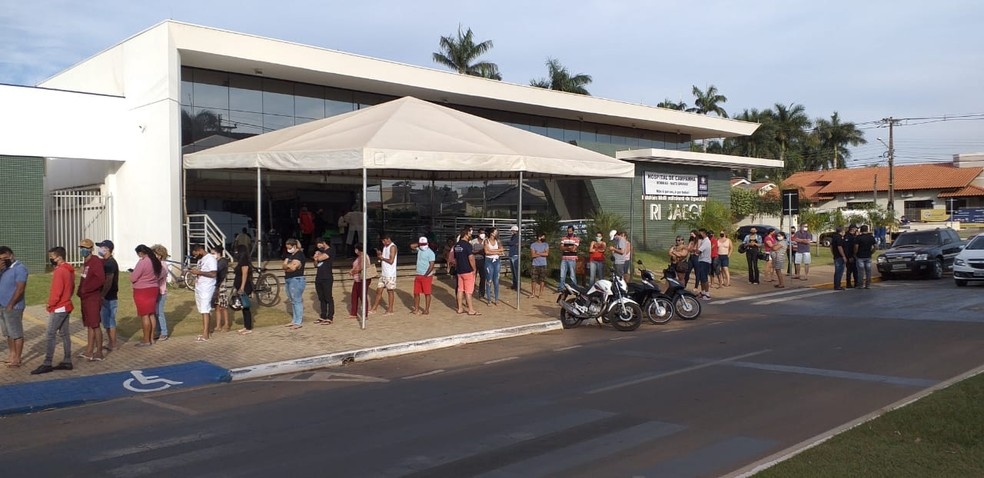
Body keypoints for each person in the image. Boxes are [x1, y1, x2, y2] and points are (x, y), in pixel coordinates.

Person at [31, 247, 76, 374]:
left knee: (50, 334)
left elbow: (56, 292)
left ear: (59, 257)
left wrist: (50, 305)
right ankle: (67, 360)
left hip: (59, 307)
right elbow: (71, 287)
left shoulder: (60, 271)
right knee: (65, 334)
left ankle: (47, 362)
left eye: (52, 257)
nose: (51, 259)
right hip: (66, 305)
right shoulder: (69, 269)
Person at [76, 239, 106, 360]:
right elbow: (84, 278)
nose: (83, 250)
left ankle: (99, 351)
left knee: (95, 324)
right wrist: (80, 291)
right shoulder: (86, 262)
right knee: (89, 325)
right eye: (81, 247)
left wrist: (86, 289)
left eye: (85, 248)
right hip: (85, 298)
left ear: (91, 249)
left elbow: (100, 279)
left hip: (92, 297)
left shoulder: (95, 262)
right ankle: (89, 350)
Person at [0, 246, 28, 368]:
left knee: (16, 333)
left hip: (13, 307)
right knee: (8, 333)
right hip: (2, 306)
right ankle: (12, 355)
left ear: (11, 255)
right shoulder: (4, 269)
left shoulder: (20, 268)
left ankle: (17, 358)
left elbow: (20, 288)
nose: (2, 261)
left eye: (4, 258)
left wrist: (11, 304)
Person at [131, 244, 162, 346]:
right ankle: (151, 337)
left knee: (144, 315)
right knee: (151, 314)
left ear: (141, 253)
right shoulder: (155, 261)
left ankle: (146, 339)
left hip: (142, 290)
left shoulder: (143, 262)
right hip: (153, 289)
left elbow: (133, 277)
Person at [95, 239, 119, 352]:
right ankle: (111, 342)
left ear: (107, 249)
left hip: (109, 296)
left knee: (110, 321)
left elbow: (109, 280)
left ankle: (113, 343)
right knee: (107, 321)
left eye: (101, 247)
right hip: (108, 296)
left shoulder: (110, 263)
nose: (99, 249)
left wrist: (102, 295)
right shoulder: (106, 262)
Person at [190, 243, 217, 342]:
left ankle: (206, 335)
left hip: (207, 287)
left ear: (200, 250)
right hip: (199, 287)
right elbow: (201, 271)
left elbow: (213, 274)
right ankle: (205, 331)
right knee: (202, 309)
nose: (195, 256)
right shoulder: (201, 260)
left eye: (196, 254)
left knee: (205, 310)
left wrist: (199, 273)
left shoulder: (210, 259)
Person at [454, 227, 479, 315]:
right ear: (465, 234)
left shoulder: (456, 245)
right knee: (468, 291)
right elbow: (471, 258)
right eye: (469, 233)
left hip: (460, 270)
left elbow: (455, 259)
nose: (470, 235)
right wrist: (474, 269)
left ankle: (460, 308)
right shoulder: (467, 245)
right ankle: (471, 310)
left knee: (460, 290)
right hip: (468, 270)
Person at [371, 235, 398, 315]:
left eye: (384, 241)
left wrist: (382, 258)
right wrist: (380, 256)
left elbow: (391, 261)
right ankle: (374, 308)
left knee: (390, 291)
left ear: (388, 239)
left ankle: (390, 309)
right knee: (379, 291)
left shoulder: (392, 247)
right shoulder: (385, 247)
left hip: (390, 273)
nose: (383, 242)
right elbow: (383, 258)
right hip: (384, 273)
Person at [283, 238, 306, 328]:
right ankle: (295, 320)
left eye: (289, 247)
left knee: (297, 300)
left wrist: (287, 265)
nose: (288, 249)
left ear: (294, 246)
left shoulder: (299, 255)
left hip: (296, 279)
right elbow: (284, 266)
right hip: (289, 279)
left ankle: (298, 321)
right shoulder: (291, 256)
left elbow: (293, 268)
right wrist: (287, 265)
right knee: (292, 300)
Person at [409, 237, 436, 315]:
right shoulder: (419, 249)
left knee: (427, 293)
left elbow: (432, 265)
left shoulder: (431, 253)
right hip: (418, 274)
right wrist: (419, 244)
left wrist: (426, 274)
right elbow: (411, 246)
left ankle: (426, 309)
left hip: (426, 276)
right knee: (416, 293)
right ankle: (416, 308)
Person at [232, 244, 255, 334]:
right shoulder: (240, 262)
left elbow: (244, 275)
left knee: (246, 307)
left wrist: (242, 287)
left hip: (244, 287)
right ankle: (246, 326)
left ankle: (248, 327)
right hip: (239, 285)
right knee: (243, 307)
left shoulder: (244, 262)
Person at [313, 238, 335, 325]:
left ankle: (330, 316)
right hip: (319, 277)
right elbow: (315, 264)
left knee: (328, 297)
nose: (318, 247)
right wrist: (315, 258)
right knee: (321, 297)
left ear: (323, 243)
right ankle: (323, 315)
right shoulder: (319, 252)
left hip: (327, 277)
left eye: (319, 244)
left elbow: (321, 258)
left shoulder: (330, 250)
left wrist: (317, 256)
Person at [151, 244, 171, 341]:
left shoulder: (163, 265)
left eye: (156, 254)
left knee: (159, 312)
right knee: (155, 312)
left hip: (161, 291)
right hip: (153, 291)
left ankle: (164, 332)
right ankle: (158, 331)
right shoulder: (154, 264)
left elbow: (158, 276)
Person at [348, 243, 373, 319]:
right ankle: (353, 313)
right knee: (354, 295)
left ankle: (365, 314)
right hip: (357, 279)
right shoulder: (359, 256)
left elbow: (362, 267)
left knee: (362, 296)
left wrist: (353, 272)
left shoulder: (364, 256)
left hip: (363, 278)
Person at [212, 245, 231, 332]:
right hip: (215, 286)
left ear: (218, 253)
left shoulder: (222, 261)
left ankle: (226, 324)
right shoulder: (214, 261)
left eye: (213, 253)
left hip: (221, 285)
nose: (212, 255)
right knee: (217, 306)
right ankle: (218, 325)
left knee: (223, 306)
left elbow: (218, 271)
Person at [483, 227, 503, 306]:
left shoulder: (497, 241)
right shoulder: (486, 241)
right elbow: (486, 252)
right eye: (495, 232)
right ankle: (489, 300)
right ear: (491, 233)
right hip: (489, 261)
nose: (496, 233)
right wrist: (497, 251)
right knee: (489, 280)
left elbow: (502, 249)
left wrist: (492, 251)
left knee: (496, 281)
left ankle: (496, 299)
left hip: (496, 261)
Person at [854, 225, 877, 289]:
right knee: (868, 271)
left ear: (861, 230)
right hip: (868, 256)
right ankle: (868, 285)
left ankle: (860, 285)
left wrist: (855, 253)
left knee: (861, 272)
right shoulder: (871, 237)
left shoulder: (858, 237)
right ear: (867, 230)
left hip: (860, 256)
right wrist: (871, 252)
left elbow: (856, 247)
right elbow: (875, 247)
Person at [558, 225, 580, 291]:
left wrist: (565, 248)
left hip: (572, 259)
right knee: (562, 274)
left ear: (573, 231)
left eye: (570, 231)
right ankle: (561, 287)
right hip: (564, 258)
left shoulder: (576, 239)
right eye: (568, 231)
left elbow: (574, 249)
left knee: (572, 274)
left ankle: (574, 288)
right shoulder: (563, 238)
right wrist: (568, 248)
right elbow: (561, 248)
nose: (569, 232)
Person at [530, 232, 549, 299]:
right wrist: (542, 253)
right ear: (539, 237)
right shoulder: (533, 245)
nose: (544, 238)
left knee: (542, 280)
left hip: (543, 264)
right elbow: (533, 255)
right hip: (535, 264)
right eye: (543, 237)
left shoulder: (546, 244)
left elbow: (547, 254)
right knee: (533, 280)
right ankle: (533, 293)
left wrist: (537, 253)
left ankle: (540, 294)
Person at [470, 228, 487, 300]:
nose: (483, 235)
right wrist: (478, 252)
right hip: (475, 260)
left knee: (483, 277)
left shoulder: (486, 241)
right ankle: (470, 291)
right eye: (481, 233)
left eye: (484, 233)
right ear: (478, 234)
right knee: (473, 277)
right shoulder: (473, 242)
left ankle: (481, 293)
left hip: (483, 260)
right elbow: (470, 252)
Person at [696, 229, 712, 300]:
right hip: (701, 260)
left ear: (704, 233)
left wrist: (697, 244)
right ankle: (703, 292)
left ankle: (707, 294)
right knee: (701, 278)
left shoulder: (706, 241)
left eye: (700, 233)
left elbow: (698, 251)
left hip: (705, 262)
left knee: (704, 278)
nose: (699, 235)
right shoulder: (703, 241)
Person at [507, 225, 520, 291]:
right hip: (512, 255)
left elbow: (511, 243)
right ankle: (515, 284)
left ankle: (517, 285)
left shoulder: (517, 237)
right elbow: (512, 243)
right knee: (513, 271)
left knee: (516, 271)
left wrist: (510, 243)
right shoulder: (513, 236)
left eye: (512, 230)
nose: (511, 232)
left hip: (515, 255)